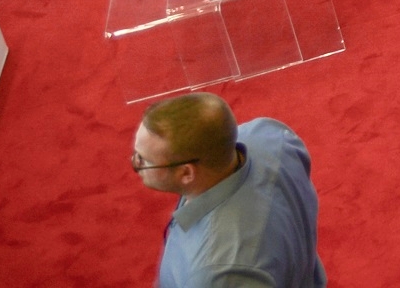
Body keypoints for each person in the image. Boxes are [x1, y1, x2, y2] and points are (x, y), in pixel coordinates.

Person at [131, 92, 323, 288]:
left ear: (186, 173)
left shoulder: (218, 275)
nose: (136, 163)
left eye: (144, 160)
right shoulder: (271, 135)